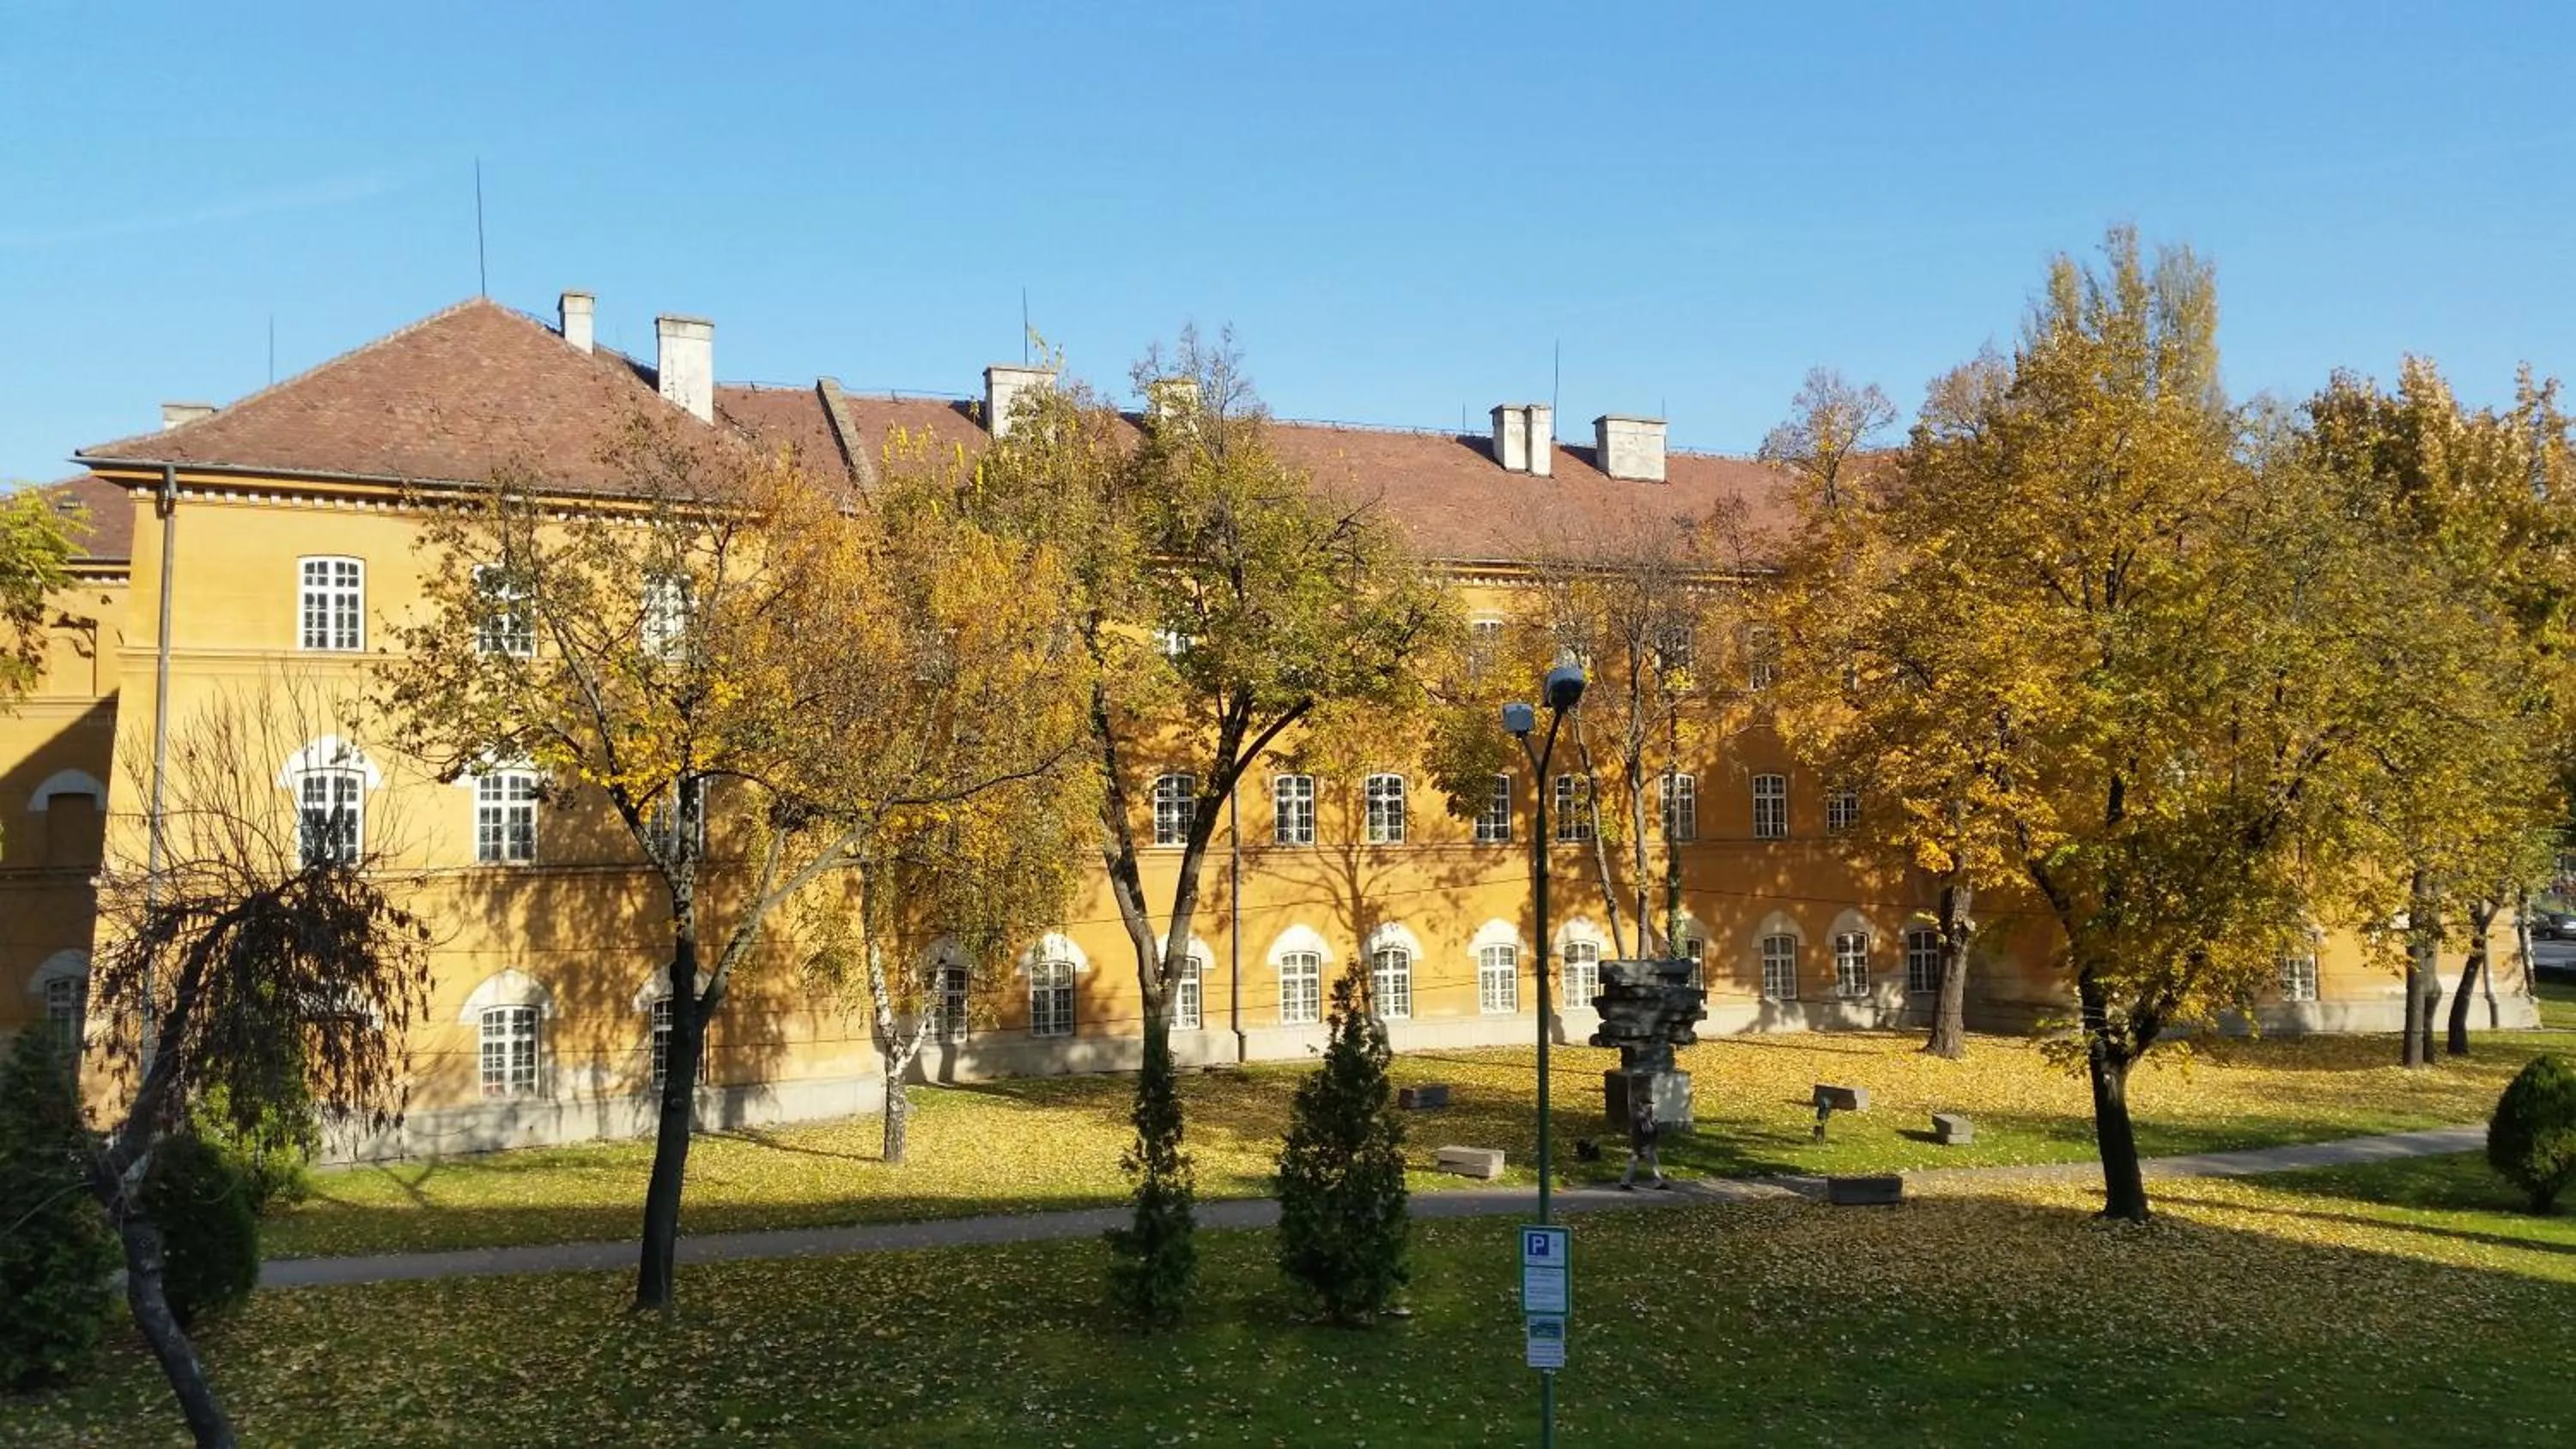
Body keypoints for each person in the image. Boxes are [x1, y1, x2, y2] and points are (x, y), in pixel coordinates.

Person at [1617, 1079, 1671, 1191]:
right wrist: (1655, 1126)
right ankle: (1658, 1182)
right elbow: (1647, 1130)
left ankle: (1625, 1181)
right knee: (1653, 1164)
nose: (1649, 1107)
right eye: (1647, 1105)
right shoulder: (1641, 1117)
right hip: (1644, 1145)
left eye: (1649, 1105)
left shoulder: (1639, 1115)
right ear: (1641, 1104)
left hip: (1639, 1144)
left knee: (1635, 1163)